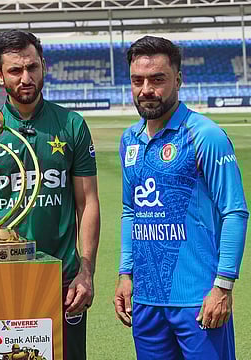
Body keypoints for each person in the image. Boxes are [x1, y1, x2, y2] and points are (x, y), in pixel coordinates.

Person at [0, 29, 101, 360]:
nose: (26, 78)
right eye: (16, 71)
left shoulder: (71, 124)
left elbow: (87, 202)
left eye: (32, 67)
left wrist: (86, 271)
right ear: (0, 76)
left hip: (62, 282)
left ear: (43, 66)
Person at [114, 35, 248, 359]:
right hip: (145, 302)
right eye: (137, 80)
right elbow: (131, 210)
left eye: (157, 79)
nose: (146, 89)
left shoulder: (205, 136)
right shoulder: (128, 140)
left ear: (178, 79)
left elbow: (235, 211)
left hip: (198, 301)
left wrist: (223, 286)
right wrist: (125, 273)